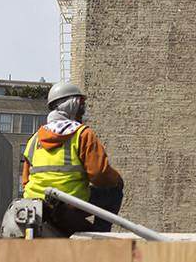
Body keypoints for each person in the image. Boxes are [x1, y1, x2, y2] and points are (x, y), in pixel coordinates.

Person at [22, 82, 124, 235]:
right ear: (72, 106)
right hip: (70, 203)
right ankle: (102, 238)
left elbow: (25, 181)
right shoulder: (82, 134)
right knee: (114, 191)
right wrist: (117, 179)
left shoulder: (34, 139)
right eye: (81, 106)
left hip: (34, 206)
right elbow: (100, 175)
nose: (83, 111)